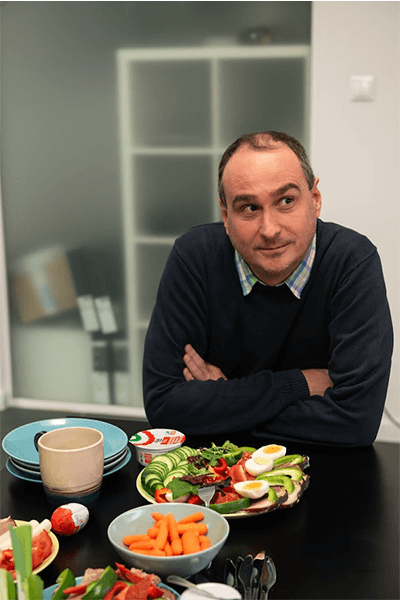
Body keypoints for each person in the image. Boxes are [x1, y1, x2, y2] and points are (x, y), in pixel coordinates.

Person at [143, 131, 393, 447]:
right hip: (216, 474)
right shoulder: (194, 257)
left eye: (286, 201)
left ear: (314, 200)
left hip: (329, 475)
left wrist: (225, 399)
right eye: (249, 207)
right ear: (225, 215)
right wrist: (301, 383)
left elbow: (355, 422)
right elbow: (164, 406)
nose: (270, 230)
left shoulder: (352, 263)